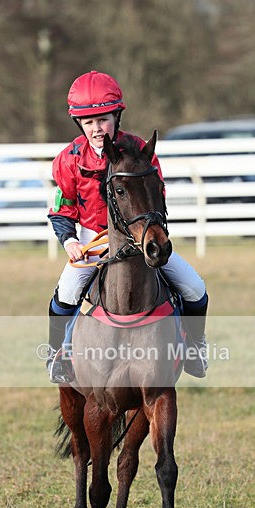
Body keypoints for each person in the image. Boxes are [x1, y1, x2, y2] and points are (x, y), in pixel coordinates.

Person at [47, 70, 208, 383]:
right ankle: (58, 355)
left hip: (138, 236)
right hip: (94, 238)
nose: (97, 128)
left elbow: (156, 196)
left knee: (195, 287)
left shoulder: (139, 150)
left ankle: (194, 347)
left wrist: (153, 232)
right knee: (66, 292)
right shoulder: (68, 160)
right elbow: (61, 208)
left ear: (116, 116)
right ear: (79, 123)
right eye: (89, 121)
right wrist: (69, 241)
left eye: (103, 119)